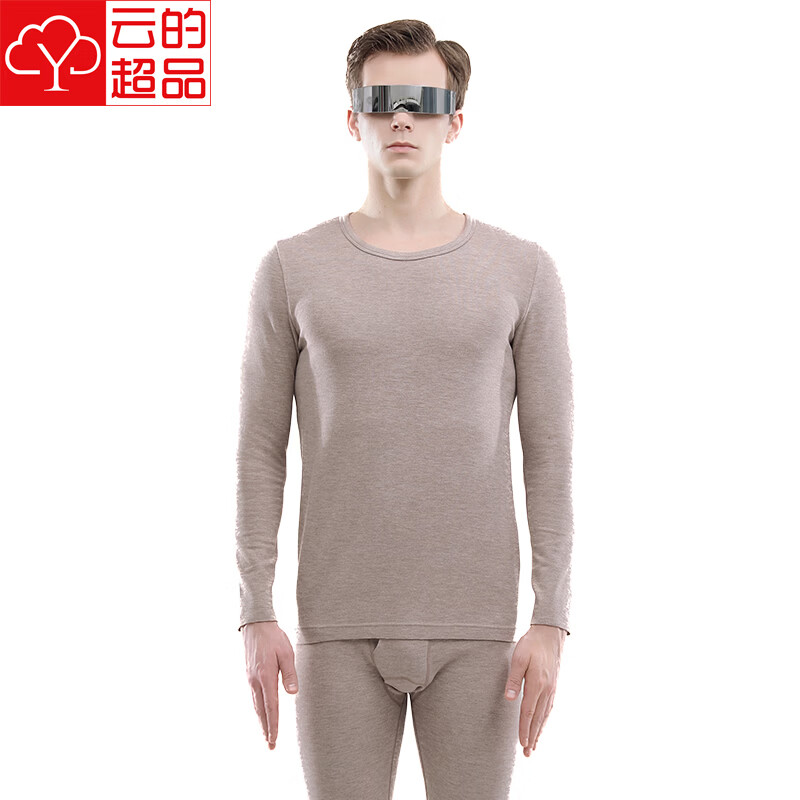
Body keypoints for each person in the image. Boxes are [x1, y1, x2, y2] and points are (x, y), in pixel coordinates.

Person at [235, 18, 574, 800]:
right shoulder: (292, 269)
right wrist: (255, 609)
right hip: (336, 627)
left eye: (423, 102)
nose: (401, 118)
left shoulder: (522, 271)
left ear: (455, 122)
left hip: (479, 632)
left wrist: (551, 617)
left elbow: (550, 450)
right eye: (381, 101)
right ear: (351, 118)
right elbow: (258, 447)